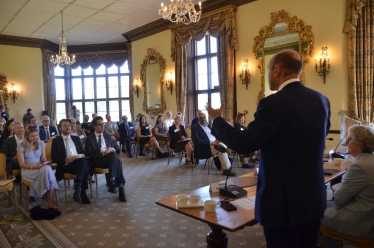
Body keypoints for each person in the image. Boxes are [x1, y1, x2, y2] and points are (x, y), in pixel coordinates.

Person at [207, 49, 331, 247]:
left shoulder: (272, 104)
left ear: (276, 69)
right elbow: (317, 136)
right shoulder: (321, 100)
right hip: (312, 198)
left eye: (267, 69)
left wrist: (217, 119)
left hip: (283, 204)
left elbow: (244, 142)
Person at [321, 125, 374, 245]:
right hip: (368, 213)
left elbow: (339, 199)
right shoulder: (370, 159)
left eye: (350, 139)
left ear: (360, 145)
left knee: (316, 214)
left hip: (361, 221)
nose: (346, 142)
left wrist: (341, 184)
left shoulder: (359, 166)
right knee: (323, 205)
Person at [85, 116, 127, 202]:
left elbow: (110, 149)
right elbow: (89, 155)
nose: (102, 126)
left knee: (115, 157)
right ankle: (119, 187)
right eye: (100, 125)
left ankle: (112, 180)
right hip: (97, 160)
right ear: (94, 126)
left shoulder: (107, 137)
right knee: (117, 161)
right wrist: (103, 153)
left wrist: (111, 150)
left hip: (109, 160)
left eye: (103, 124)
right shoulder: (89, 138)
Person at [17, 126, 59, 209]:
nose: (35, 138)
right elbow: (22, 164)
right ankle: (49, 201)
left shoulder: (41, 143)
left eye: (36, 135)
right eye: (32, 136)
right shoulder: (21, 146)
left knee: (47, 169)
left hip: (40, 166)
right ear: (27, 136)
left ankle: (48, 199)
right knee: (48, 171)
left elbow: (43, 159)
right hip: (28, 169)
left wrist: (46, 161)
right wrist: (34, 167)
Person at [52, 119, 91, 204]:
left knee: (83, 162)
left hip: (78, 163)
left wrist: (82, 155)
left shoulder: (76, 138)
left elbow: (82, 152)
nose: (67, 127)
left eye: (69, 125)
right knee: (85, 167)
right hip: (65, 165)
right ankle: (82, 192)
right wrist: (67, 159)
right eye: (64, 125)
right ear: (60, 128)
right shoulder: (56, 140)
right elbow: (54, 158)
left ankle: (78, 188)